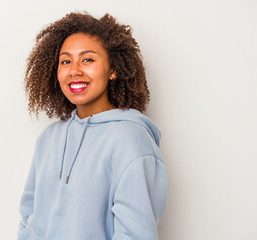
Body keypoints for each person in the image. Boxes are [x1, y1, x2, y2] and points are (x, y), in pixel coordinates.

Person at [18, 12, 167, 240]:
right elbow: (29, 217)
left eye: (87, 59)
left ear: (113, 69)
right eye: (66, 61)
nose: (74, 70)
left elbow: (136, 234)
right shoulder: (48, 138)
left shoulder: (130, 139)